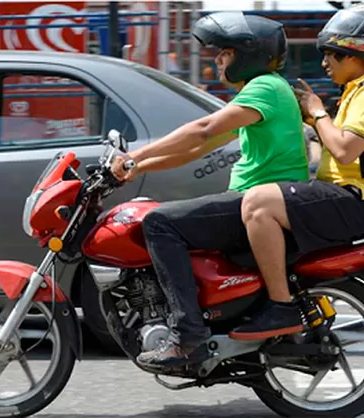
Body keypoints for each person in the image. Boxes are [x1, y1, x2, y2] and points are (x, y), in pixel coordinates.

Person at [110, 11, 309, 368]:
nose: (217, 60)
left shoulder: (265, 87)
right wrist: (136, 167)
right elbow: (198, 148)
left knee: (158, 223)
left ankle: (187, 338)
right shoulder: (260, 95)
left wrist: (134, 154)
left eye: (225, 53)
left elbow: (203, 128)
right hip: (257, 201)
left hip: (258, 202)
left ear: (249, 54)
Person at [233, 3, 364, 340]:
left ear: (357, 54)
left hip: (358, 201)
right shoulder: (360, 91)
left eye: (332, 54)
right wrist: (314, 116)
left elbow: (344, 151)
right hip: (351, 197)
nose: (325, 63)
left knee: (258, 203)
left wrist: (318, 112)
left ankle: (280, 307)